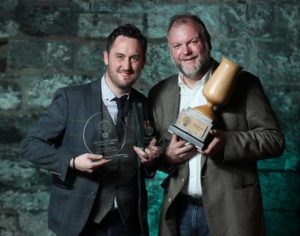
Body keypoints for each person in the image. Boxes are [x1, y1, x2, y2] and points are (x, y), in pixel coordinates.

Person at [148, 14, 285, 236]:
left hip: (232, 212)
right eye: (177, 45)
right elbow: (154, 153)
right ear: (171, 51)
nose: (186, 51)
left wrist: (227, 142)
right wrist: (167, 157)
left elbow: (274, 140)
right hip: (179, 211)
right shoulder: (159, 93)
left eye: (193, 42)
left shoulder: (245, 84)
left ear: (207, 41)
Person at [20, 24, 159, 236]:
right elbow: (30, 145)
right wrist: (72, 162)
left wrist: (150, 159)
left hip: (127, 221)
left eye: (134, 58)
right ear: (106, 57)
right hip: (79, 221)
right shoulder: (70, 98)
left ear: (144, 62)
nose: (126, 66)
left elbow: (149, 149)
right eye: (120, 56)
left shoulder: (142, 103)